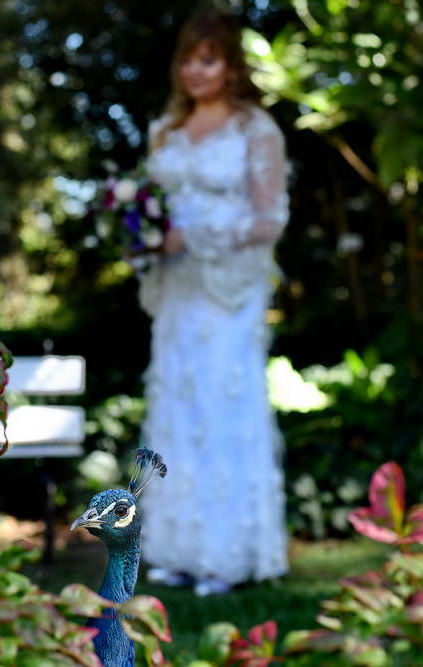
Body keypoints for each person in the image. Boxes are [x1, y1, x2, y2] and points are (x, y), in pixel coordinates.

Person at [137, 9, 289, 597]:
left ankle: (229, 555)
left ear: (230, 65)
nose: (196, 70)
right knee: (176, 408)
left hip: (230, 293)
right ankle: (178, 549)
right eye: (188, 59)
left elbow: (270, 217)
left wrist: (195, 238)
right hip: (176, 291)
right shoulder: (165, 131)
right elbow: (148, 207)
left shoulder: (257, 130)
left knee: (224, 409)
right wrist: (141, 239)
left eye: (209, 58)